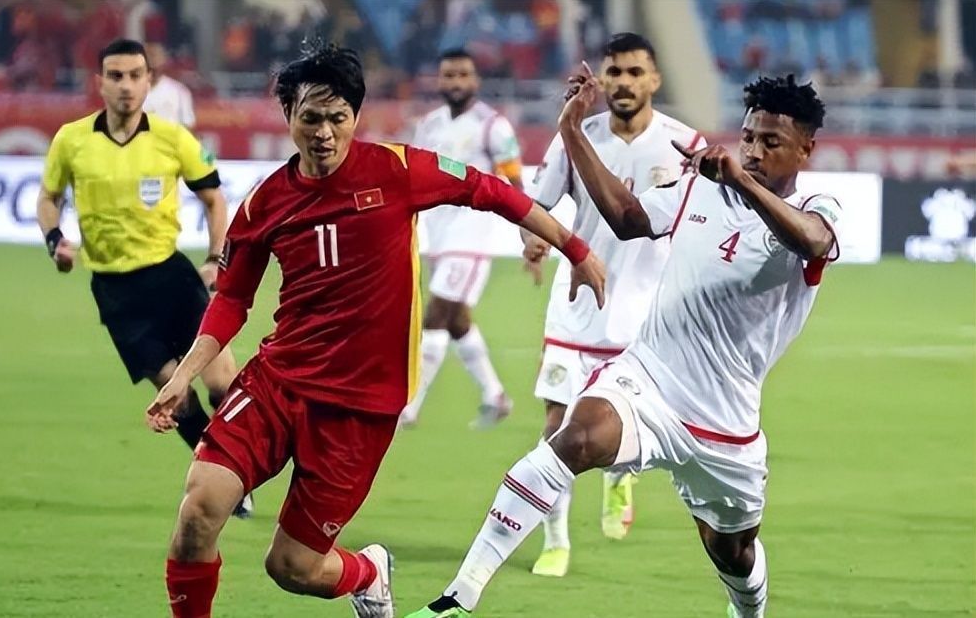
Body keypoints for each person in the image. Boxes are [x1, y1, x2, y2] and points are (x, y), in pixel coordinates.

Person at [146, 43, 605, 618]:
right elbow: (232, 299)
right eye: (310, 117)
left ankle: (367, 572)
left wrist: (578, 249)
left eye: (338, 118)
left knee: (292, 568)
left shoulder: (399, 169)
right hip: (277, 382)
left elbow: (490, 191)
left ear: (355, 118)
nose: (324, 133)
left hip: (359, 408)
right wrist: (186, 375)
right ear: (288, 115)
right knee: (197, 511)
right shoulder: (264, 202)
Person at [407, 72, 840, 618]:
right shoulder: (697, 187)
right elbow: (627, 217)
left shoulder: (819, 206)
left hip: (726, 423)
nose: (753, 151)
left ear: (806, 148)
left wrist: (745, 184)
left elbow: (814, 241)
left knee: (732, 550)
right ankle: (458, 598)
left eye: (770, 142)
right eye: (749, 137)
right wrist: (572, 132)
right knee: (575, 437)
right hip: (650, 382)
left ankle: (747, 612)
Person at [35, 39, 245, 513]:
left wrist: (216, 257)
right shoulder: (72, 139)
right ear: (100, 83)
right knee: (178, 396)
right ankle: (223, 480)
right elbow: (48, 198)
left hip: (173, 279)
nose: (126, 86)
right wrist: (55, 240)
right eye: (116, 76)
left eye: (135, 75)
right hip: (116, 291)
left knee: (224, 383)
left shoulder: (173, 138)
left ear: (150, 81)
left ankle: (242, 467)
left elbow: (214, 198)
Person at [523, 32, 705, 578]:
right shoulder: (575, 135)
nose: (623, 82)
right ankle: (555, 542)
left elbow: (699, 221)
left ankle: (619, 475)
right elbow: (537, 207)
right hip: (575, 310)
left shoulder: (682, 144)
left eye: (634, 72)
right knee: (557, 430)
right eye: (614, 72)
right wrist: (536, 241)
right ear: (600, 79)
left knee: (616, 427)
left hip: (642, 323)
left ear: (654, 80)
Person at [400, 48, 525, 430]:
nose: (455, 82)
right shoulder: (429, 126)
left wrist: (527, 230)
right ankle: (496, 396)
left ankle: (408, 407)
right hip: (437, 235)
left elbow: (515, 179)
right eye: (448, 75)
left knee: (436, 315)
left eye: (462, 75)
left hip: (472, 235)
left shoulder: (493, 126)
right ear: (439, 81)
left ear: (476, 81)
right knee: (456, 320)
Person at [143, 42, 196, 128]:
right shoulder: (130, 90)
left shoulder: (179, 91)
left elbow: (188, 125)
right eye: (148, 56)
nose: (152, 61)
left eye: (155, 56)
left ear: (164, 60)